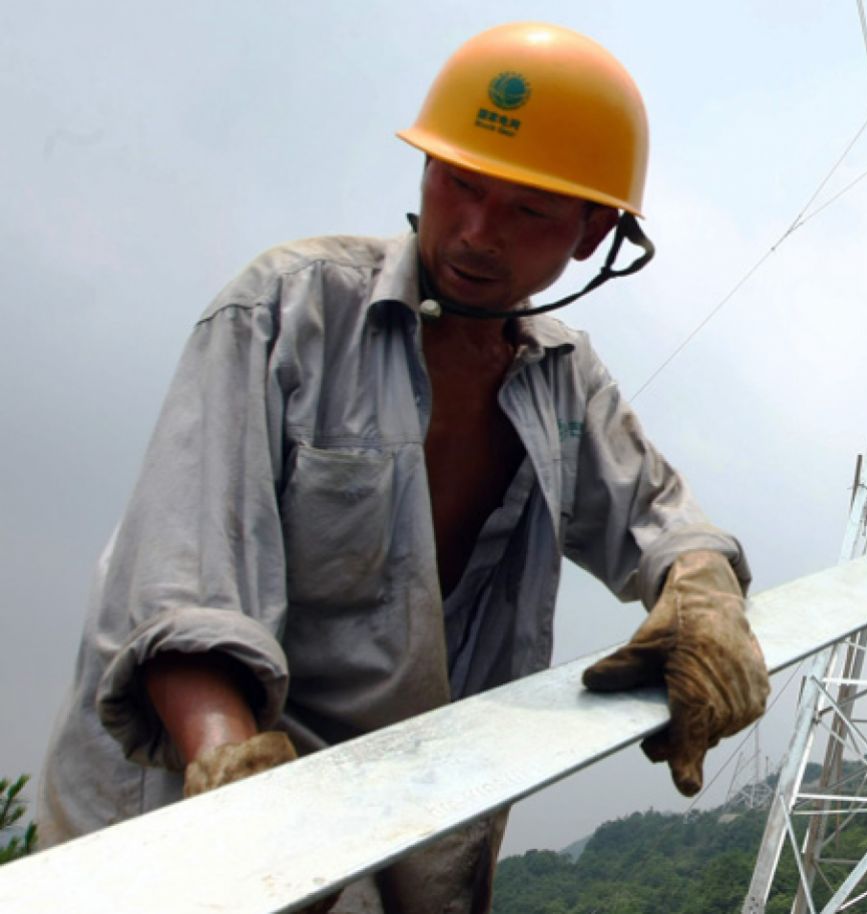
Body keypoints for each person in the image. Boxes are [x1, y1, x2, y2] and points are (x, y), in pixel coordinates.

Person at [38, 23, 769, 913]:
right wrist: (231, 770)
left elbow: (662, 521)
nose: (476, 232)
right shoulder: (282, 314)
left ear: (593, 232)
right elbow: (180, 592)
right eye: (459, 183)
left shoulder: (561, 379)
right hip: (198, 814)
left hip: (405, 828)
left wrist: (702, 593)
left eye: (529, 210)